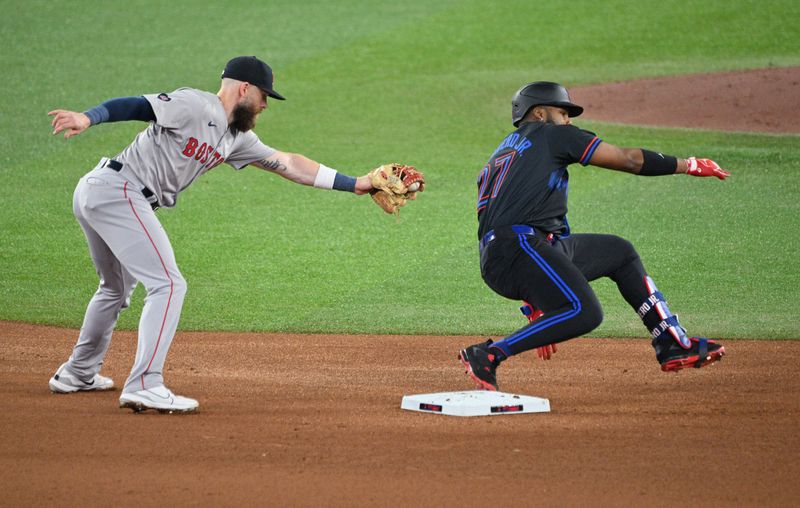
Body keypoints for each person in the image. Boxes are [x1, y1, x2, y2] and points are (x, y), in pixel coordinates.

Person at [47, 56, 374, 412]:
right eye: (264, 95)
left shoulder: (237, 138)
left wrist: (356, 184)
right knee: (169, 284)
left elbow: (291, 164)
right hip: (117, 190)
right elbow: (138, 106)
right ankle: (145, 383)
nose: (265, 104)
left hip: (107, 194)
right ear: (244, 88)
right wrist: (87, 117)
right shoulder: (196, 103)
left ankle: (77, 373)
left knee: (115, 287)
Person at [458, 81, 729, 391]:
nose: (568, 120)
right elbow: (629, 159)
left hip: (512, 252)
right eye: (563, 112)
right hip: (520, 248)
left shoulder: (505, 150)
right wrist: (689, 165)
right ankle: (490, 354)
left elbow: (512, 214)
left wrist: (537, 299)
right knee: (584, 311)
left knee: (619, 253)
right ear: (540, 113)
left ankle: (670, 342)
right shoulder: (551, 135)